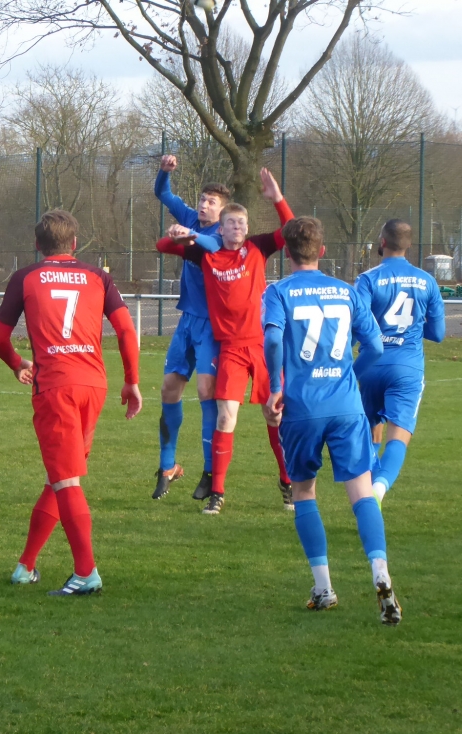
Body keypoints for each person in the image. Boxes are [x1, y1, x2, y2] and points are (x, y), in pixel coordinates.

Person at [0, 210, 142, 596]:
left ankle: (86, 573)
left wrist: (17, 363)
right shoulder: (98, 277)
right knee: (59, 476)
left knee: (65, 479)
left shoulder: (25, 277)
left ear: (37, 245)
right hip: (93, 385)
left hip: (56, 386)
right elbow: (126, 330)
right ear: (74, 243)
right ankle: (25, 566)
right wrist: (132, 381)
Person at [262, 217, 402, 625]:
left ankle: (323, 587)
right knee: (362, 492)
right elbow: (375, 345)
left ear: (287, 253)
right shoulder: (346, 290)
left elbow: (273, 338)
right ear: (322, 251)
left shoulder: (278, 291)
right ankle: (380, 571)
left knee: (304, 491)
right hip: (346, 405)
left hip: (302, 407)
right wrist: (348, 377)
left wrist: (275, 387)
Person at [156, 168, 294, 515]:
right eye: (231, 224)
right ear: (221, 228)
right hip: (230, 348)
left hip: (262, 346)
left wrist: (278, 199)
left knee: (274, 415)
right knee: (225, 416)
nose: (238, 229)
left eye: (242, 224)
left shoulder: (258, 247)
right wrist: (180, 236)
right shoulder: (207, 255)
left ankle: (287, 481)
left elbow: (291, 231)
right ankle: (217, 492)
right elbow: (162, 246)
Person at [151, 155, 232, 501]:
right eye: (202, 199)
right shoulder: (190, 219)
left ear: (222, 212)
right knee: (169, 389)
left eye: (211, 202)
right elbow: (163, 194)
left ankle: (211, 473)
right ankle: (167, 466)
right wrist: (164, 173)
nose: (203, 205)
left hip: (213, 325)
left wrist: (189, 235)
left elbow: (211, 246)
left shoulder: (223, 234)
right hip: (187, 321)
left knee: (205, 393)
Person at [354, 219, 446, 503]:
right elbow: (438, 333)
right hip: (407, 366)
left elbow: (356, 326)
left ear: (382, 242)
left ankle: (367, 491)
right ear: (409, 245)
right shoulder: (427, 281)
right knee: (399, 433)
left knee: (370, 428)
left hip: (371, 364)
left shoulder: (367, 279)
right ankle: (380, 487)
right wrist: (413, 329)